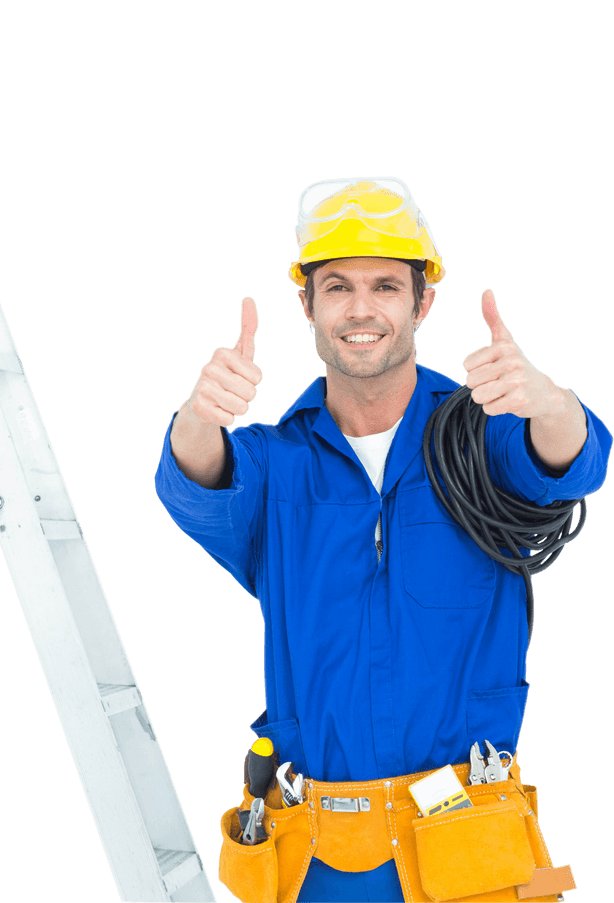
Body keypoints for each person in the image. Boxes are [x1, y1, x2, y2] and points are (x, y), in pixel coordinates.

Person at [153, 176, 612, 902]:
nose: (360, 308)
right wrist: (195, 414)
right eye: (336, 286)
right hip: (318, 854)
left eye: (385, 286)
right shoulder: (275, 463)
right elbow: (196, 484)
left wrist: (550, 402)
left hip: (470, 839)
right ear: (306, 302)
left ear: (421, 300)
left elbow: (571, 464)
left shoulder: (480, 441)